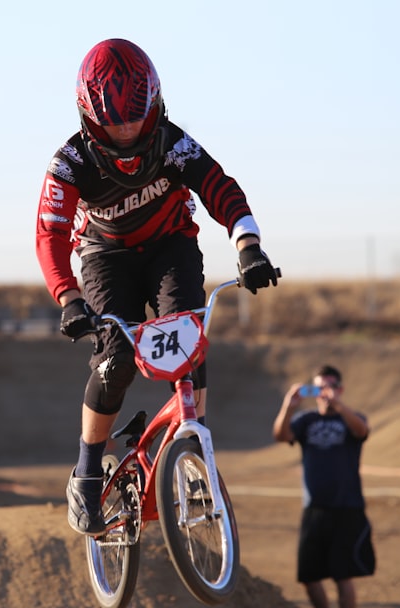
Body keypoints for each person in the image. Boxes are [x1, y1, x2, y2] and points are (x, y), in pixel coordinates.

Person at [35, 38, 280, 537]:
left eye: (135, 119)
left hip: (171, 246)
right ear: (90, 117)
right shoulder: (69, 163)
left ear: (154, 106)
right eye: (115, 123)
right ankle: (86, 471)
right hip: (105, 258)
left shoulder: (173, 142)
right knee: (116, 360)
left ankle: (194, 447)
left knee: (188, 340)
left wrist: (248, 245)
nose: (126, 132)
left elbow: (219, 187)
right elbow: (50, 234)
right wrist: (68, 298)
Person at [272, 364, 375, 608]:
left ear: (340, 389)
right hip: (314, 507)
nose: (324, 393)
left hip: (347, 506)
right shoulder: (306, 421)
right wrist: (289, 406)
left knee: (343, 574)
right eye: (319, 387)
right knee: (309, 575)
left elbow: (361, 430)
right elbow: (281, 436)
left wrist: (339, 406)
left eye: (329, 386)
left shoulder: (350, 417)